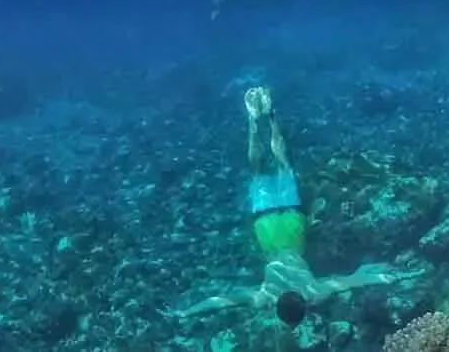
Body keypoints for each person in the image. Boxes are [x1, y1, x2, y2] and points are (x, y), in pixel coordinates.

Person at [162, 85, 422, 322]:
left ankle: (270, 117)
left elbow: (357, 280)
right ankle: (255, 122)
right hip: (266, 226)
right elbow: (223, 302)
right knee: (258, 170)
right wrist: (186, 312)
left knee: (282, 164)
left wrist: (396, 275)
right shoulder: (265, 297)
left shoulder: (313, 292)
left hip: (292, 222)